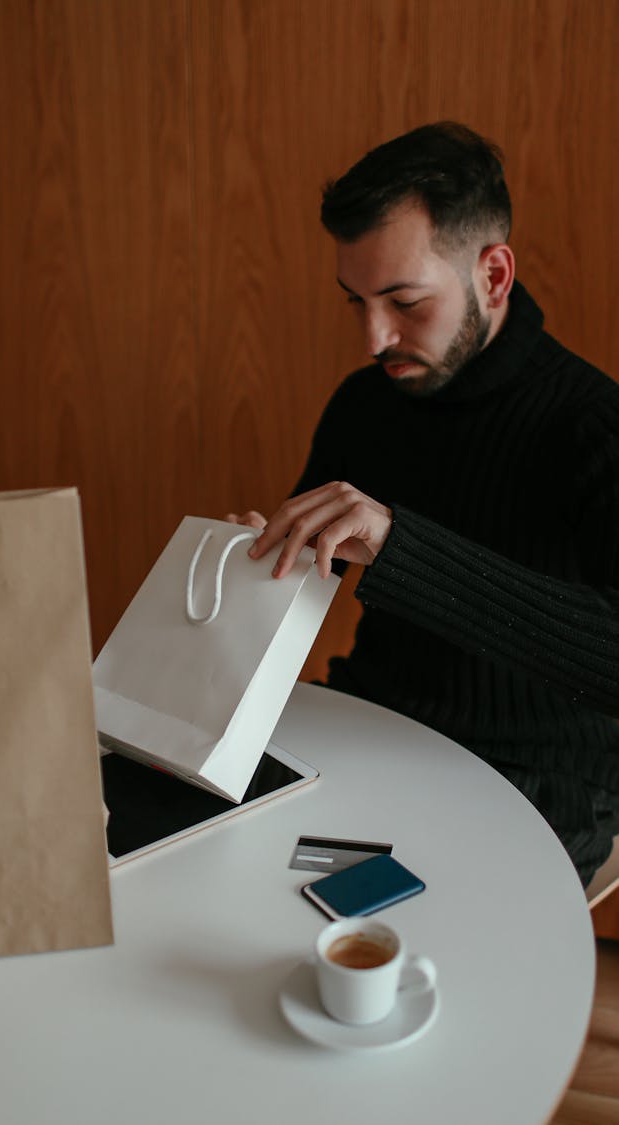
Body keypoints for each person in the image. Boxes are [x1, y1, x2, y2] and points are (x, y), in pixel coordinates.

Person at [226, 121, 619, 887]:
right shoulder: (364, 405)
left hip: (537, 777)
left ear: (494, 276)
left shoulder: (592, 425)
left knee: (362, 921)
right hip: (376, 725)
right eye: (357, 301)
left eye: (404, 301)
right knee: (218, 864)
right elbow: (309, 574)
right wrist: (255, 563)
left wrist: (403, 547)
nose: (375, 337)